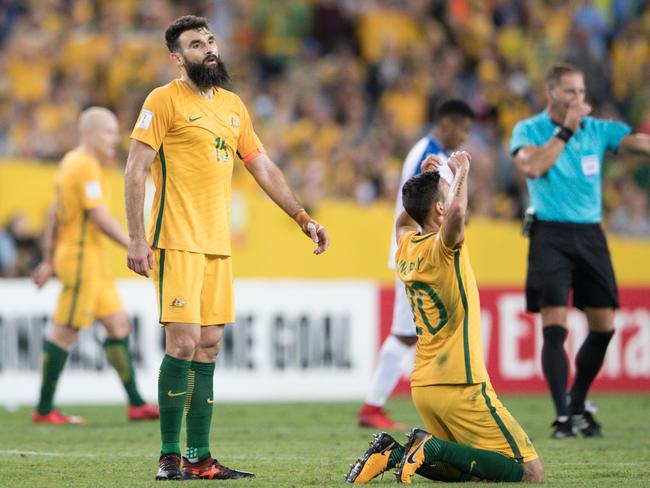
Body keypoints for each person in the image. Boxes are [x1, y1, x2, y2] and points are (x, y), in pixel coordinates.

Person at [124, 15, 329, 481]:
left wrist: (301, 216)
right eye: (197, 44)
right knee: (183, 341)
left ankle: (200, 458)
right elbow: (135, 168)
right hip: (175, 238)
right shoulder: (163, 100)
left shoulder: (234, 106)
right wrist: (137, 237)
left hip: (217, 244)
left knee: (210, 346)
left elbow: (263, 167)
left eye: (211, 40)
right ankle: (169, 456)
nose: (209, 49)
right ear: (178, 58)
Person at [346, 151, 543, 484]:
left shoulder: (406, 246)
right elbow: (456, 211)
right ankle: (428, 445)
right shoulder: (443, 248)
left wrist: (432, 182)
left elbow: (406, 219)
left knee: (468, 467)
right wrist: (461, 171)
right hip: (460, 381)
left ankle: (391, 453)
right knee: (529, 472)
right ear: (438, 208)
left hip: (424, 384)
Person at [509, 62, 650, 439]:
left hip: (590, 235)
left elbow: (639, 144)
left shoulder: (598, 130)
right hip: (549, 234)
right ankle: (562, 418)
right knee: (554, 326)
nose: (578, 99)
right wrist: (567, 127)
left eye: (582, 93)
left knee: (604, 326)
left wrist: (579, 124)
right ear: (550, 92)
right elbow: (535, 167)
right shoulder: (528, 129)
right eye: (570, 92)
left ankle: (577, 402)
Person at [31, 107, 159, 424]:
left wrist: (47, 259)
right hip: (80, 260)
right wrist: (134, 242)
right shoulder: (84, 166)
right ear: (89, 134)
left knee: (118, 326)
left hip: (91, 261)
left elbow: (54, 213)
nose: (116, 139)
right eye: (109, 132)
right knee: (65, 331)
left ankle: (136, 403)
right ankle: (44, 410)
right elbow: (98, 218)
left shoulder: (71, 164)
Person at [358, 99, 475, 430]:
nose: (464, 137)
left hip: (421, 250)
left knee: (412, 334)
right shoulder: (427, 153)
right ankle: (373, 405)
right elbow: (417, 203)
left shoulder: (429, 152)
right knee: (407, 334)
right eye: (463, 129)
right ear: (448, 123)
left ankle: (377, 404)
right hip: (420, 253)